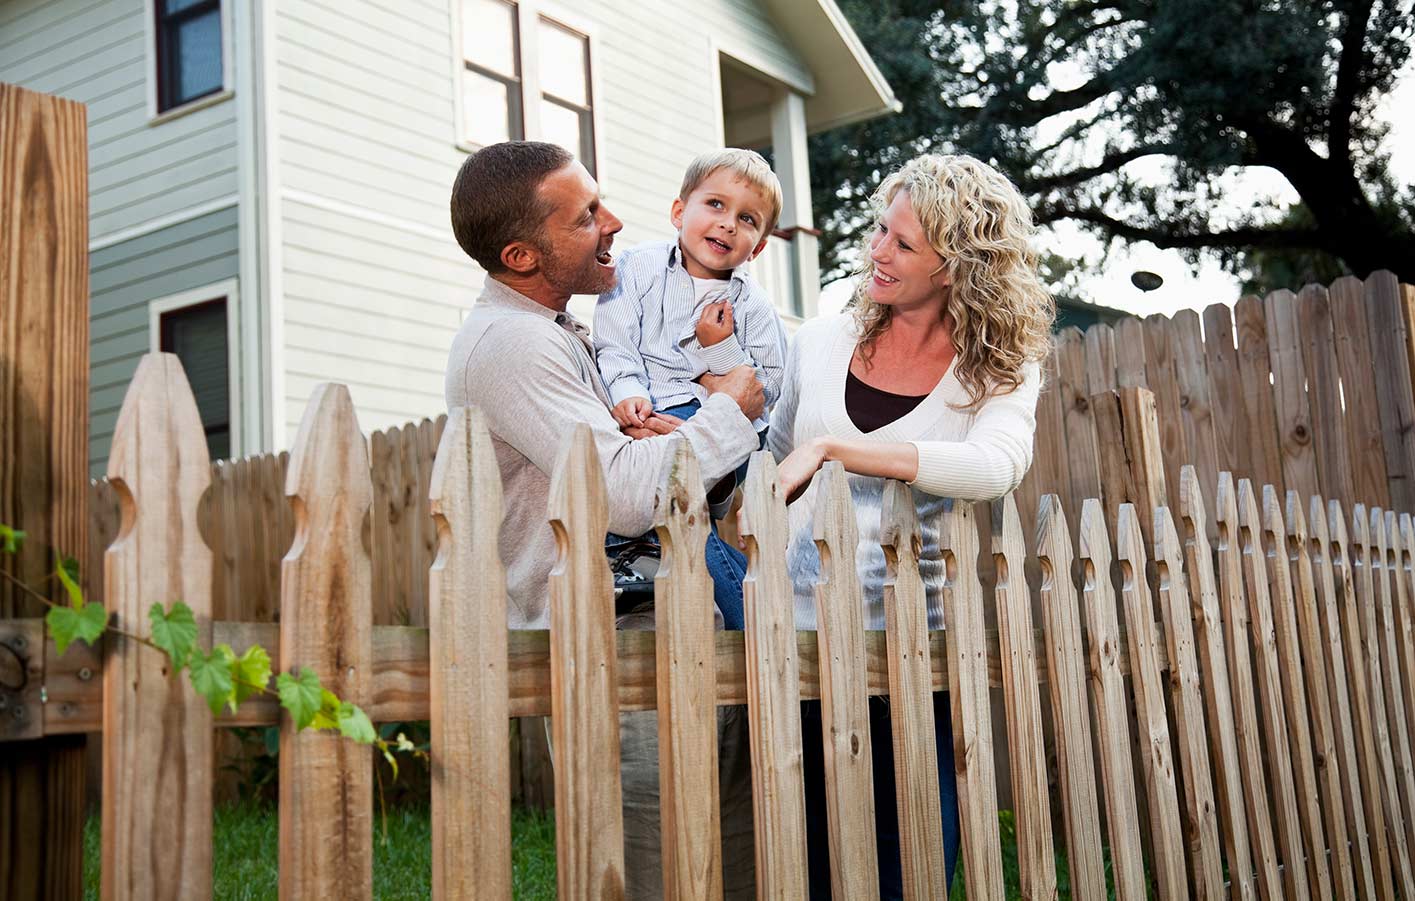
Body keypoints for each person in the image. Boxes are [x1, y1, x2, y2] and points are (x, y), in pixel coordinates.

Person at [444, 140, 760, 899]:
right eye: (586, 216)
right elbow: (619, 494)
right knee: (655, 873)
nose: (614, 221)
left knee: (736, 867)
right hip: (612, 659)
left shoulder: (565, 334)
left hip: (672, 631)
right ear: (522, 254)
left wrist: (677, 438)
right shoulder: (511, 345)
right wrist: (726, 413)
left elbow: (653, 480)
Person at [765, 153, 1054, 899]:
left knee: (907, 866)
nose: (877, 253)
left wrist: (839, 448)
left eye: (901, 243)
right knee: (805, 862)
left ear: (956, 264)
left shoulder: (1000, 367)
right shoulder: (819, 342)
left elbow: (994, 468)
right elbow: (776, 457)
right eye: (878, 232)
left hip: (916, 654)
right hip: (797, 645)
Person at [594, 148, 790, 629]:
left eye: (747, 219)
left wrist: (718, 352)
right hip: (640, 413)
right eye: (716, 205)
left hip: (714, 424)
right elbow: (615, 343)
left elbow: (766, 387)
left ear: (759, 246)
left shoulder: (754, 307)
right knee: (677, 530)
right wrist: (625, 392)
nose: (727, 224)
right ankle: (743, 607)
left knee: (660, 519)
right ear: (680, 211)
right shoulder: (636, 269)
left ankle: (634, 559)